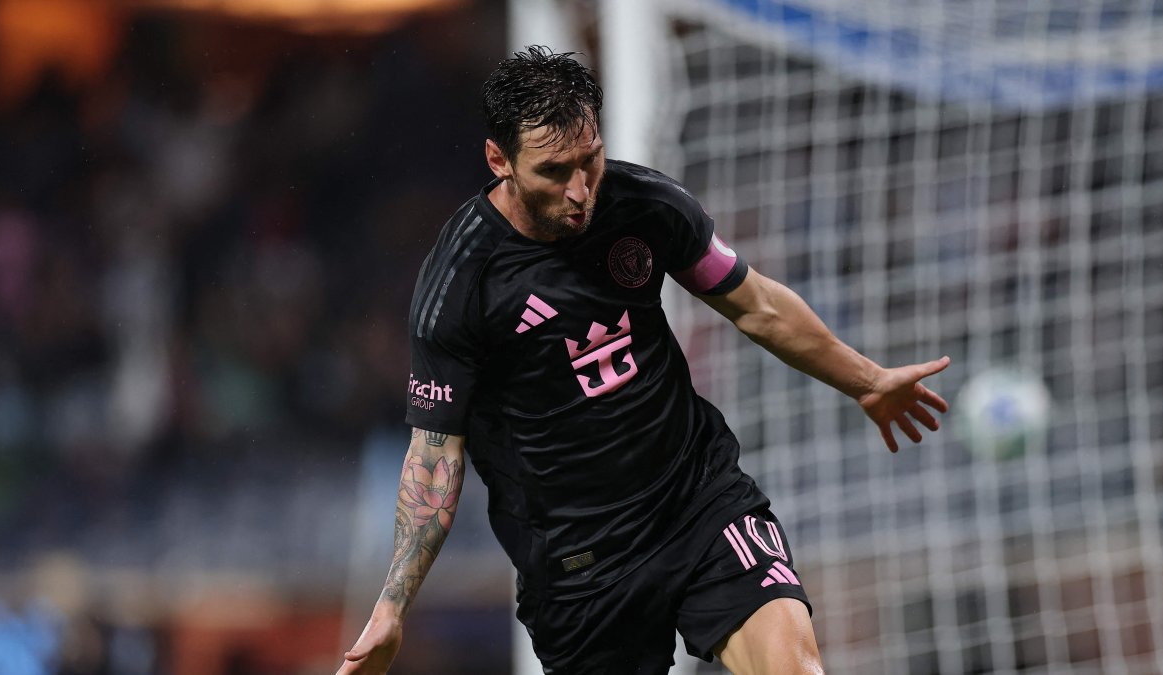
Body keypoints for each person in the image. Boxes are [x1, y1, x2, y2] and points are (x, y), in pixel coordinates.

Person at [337, 46, 950, 675]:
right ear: (500, 161)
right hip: (579, 567)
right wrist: (392, 606)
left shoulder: (645, 204)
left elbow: (757, 304)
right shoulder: (460, 284)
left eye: (589, 161)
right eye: (554, 172)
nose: (580, 191)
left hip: (697, 501)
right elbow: (436, 454)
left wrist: (868, 381)